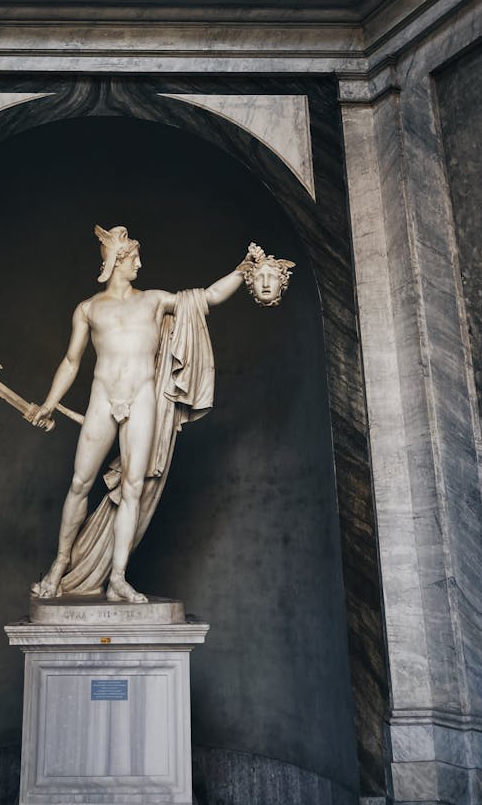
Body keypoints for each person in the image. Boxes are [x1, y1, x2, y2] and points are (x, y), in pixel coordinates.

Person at [30, 225, 293, 603]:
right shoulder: (89, 309)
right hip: (103, 400)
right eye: (134, 256)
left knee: (132, 488)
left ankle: (118, 578)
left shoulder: (153, 300)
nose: (140, 262)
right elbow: (71, 362)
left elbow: (208, 297)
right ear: (118, 260)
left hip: (141, 399)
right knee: (79, 483)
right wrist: (49, 403)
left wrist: (240, 271)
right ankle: (59, 565)